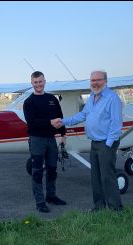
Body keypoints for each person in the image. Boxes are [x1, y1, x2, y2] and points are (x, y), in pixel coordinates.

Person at [51, 70, 123, 211]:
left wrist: (108, 144)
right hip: (95, 142)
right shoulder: (92, 97)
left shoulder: (112, 98)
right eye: (92, 80)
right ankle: (99, 207)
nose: (95, 83)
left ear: (105, 81)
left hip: (106, 144)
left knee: (108, 177)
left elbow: (116, 124)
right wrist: (63, 121)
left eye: (98, 80)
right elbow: (82, 115)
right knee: (95, 177)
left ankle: (116, 209)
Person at [23, 71, 67, 213]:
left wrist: (63, 134)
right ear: (32, 83)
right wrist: (49, 122)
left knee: (52, 168)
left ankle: (51, 196)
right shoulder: (29, 102)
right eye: (35, 82)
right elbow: (32, 122)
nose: (38, 84)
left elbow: (60, 117)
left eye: (40, 82)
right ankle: (40, 202)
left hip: (51, 139)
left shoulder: (52, 99)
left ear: (44, 81)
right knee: (37, 171)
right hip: (37, 139)